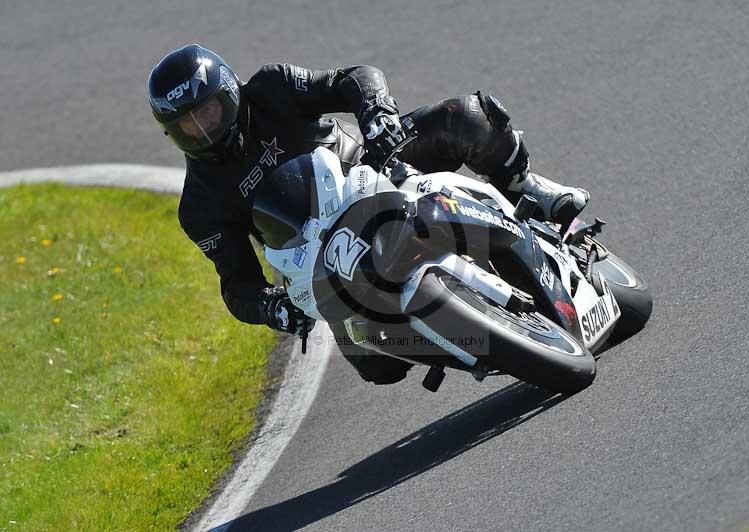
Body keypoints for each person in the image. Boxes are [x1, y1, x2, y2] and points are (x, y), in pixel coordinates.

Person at [147, 44, 590, 385]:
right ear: (174, 133)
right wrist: (272, 309)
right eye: (190, 124)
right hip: (322, 258)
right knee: (378, 366)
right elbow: (236, 284)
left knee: (467, 117)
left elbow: (354, 77)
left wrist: (375, 112)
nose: (205, 128)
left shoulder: (270, 87)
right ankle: (485, 344)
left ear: (228, 92)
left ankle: (532, 189)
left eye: (208, 110)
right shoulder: (199, 207)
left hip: (375, 169)